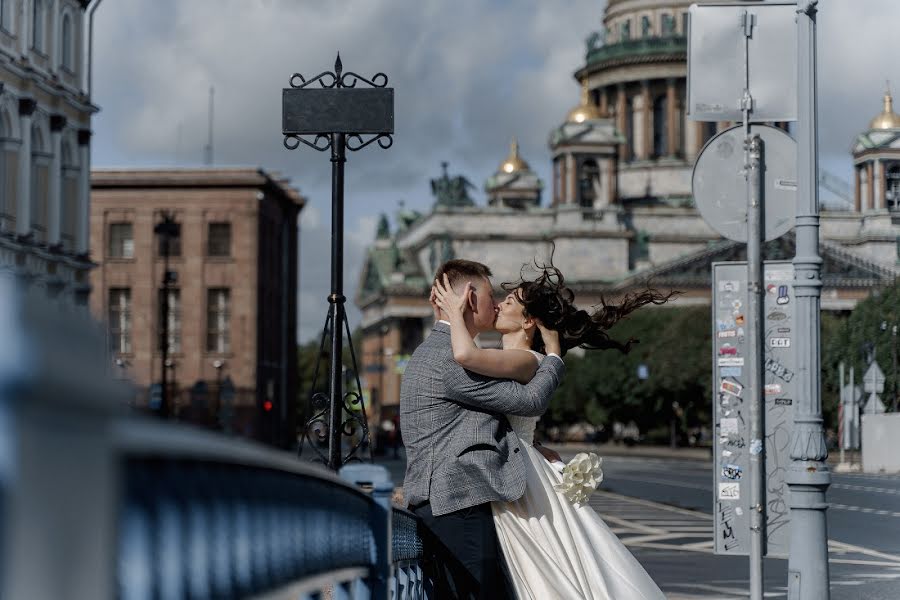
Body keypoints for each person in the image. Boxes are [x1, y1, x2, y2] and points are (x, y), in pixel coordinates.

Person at [431, 261, 674, 600]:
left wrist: (453, 313)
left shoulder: (525, 359)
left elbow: (463, 354)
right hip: (514, 463)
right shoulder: (507, 356)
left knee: (537, 566)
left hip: (516, 474)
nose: (499, 305)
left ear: (528, 321)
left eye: (511, 303)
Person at [399, 259, 566, 599]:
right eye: (491, 296)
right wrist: (554, 356)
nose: (495, 304)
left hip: (441, 504)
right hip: (456, 504)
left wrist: (529, 444)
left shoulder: (432, 350)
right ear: (470, 299)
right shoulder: (452, 358)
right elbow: (531, 400)